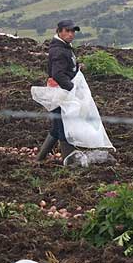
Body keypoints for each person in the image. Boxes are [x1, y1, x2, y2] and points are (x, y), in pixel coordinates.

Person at [36, 20, 80, 162]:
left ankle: (39, 158)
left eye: (72, 31)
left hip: (60, 91)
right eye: (67, 31)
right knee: (63, 126)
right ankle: (70, 162)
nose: (70, 34)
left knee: (57, 127)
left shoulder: (65, 47)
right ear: (59, 31)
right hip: (60, 93)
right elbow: (58, 74)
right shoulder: (59, 51)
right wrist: (71, 87)